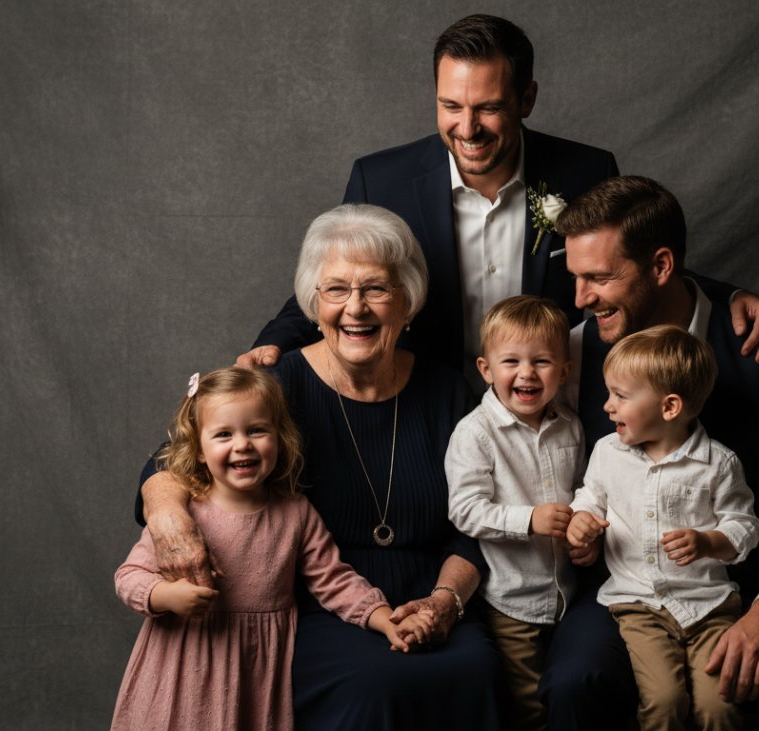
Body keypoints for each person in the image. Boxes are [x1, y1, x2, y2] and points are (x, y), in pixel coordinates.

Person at [238, 14, 759, 387]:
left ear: (527, 99)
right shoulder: (379, 180)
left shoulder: (585, 170)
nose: (467, 128)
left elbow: (629, 268)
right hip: (422, 404)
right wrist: (269, 346)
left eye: (488, 108)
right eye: (451, 106)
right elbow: (333, 282)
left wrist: (730, 295)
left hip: (552, 410)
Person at [138, 205, 502, 729]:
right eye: (336, 290)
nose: (356, 308)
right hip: (317, 606)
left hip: (433, 598)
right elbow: (174, 462)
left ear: (408, 300)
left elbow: (477, 524)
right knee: (376, 685)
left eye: (376, 288)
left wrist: (444, 602)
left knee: (477, 670)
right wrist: (168, 513)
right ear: (313, 302)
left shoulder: (447, 392)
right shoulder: (277, 384)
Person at [556, 176, 759, 729]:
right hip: (625, 591)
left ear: (661, 266)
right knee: (575, 683)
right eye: (575, 277)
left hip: (744, 590)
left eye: (598, 278)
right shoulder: (572, 356)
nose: (580, 299)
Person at [112, 367, 422, 730]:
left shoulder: (295, 512)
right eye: (224, 434)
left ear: (280, 438)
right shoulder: (186, 515)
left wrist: (384, 619)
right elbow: (128, 577)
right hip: (186, 660)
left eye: (256, 430)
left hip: (256, 669)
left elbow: (334, 580)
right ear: (198, 449)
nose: (242, 444)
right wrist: (165, 595)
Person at [567, 325, 759, 731]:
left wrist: (709, 541)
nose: (607, 407)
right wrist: (580, 520)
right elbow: (589, 496)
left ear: (670, 406)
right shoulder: (608, 453)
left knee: (719, 706)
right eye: (609, 394)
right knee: (664, 701)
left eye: (620, 396)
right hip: (638, 605)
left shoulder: (719, 464)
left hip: (708, 606)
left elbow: (744, 526)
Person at [444, 295, 585, 730]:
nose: (526, 373)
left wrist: (585, 522)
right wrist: (529, 519)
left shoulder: (572, 426)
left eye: (541, 361)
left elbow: (585, 489)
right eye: (511, 362)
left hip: (569, 595)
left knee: (570, 691)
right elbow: (465, 511)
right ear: (486, 370)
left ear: (563, 371)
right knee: (528, 706)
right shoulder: (474, 434)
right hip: (511, 602)